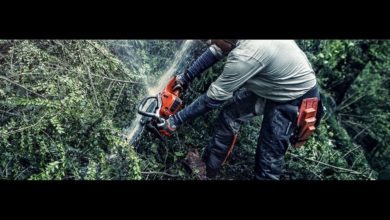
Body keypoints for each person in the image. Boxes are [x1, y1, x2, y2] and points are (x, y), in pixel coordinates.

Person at [159, 40, 322, 180]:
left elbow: (213, 98)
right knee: (230, 114)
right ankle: (208, 171)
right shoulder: (231, 41)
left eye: (212, 39)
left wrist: (174, 121)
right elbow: (216, 49)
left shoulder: (246, 55)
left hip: (296, 96)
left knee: (267, 161)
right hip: (276, 81)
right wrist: (185, 78)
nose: (209, 42)